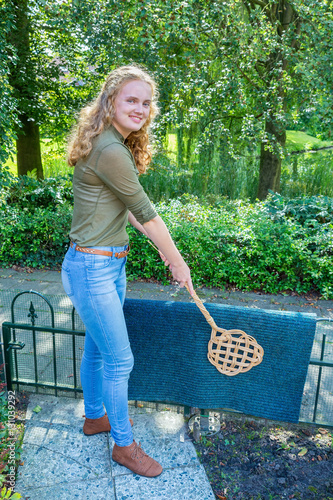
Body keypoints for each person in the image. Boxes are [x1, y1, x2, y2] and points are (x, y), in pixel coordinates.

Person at [61, 65, 193, 478]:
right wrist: (176, 261)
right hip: (92, 268)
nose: (140, 108)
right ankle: (123, 445)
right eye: (131, 100)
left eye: (146, 102)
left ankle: (96, 417)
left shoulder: (110, 142)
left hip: (105, 264)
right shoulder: (111, 150)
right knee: (120, 361)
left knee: (99, 352)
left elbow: (131, 213)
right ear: (111, 102)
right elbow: (148, 214)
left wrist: (158, 247)